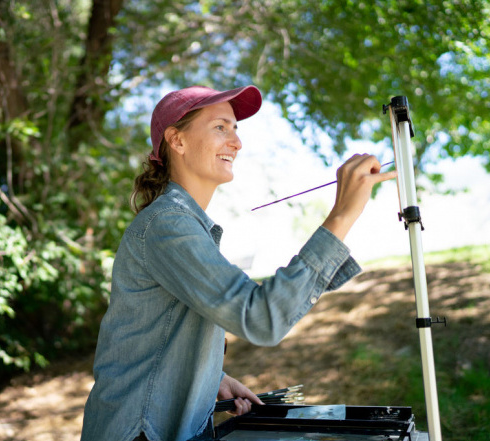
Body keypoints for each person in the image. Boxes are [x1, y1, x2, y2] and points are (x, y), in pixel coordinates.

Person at [80, 85, 397, 441]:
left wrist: (212, 377)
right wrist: (341, 216)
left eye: (235, 129)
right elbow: (260, 317)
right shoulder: (167, 224)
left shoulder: (183, 223)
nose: (236, 142)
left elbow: (158, 333)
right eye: (220, 127)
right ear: (177, 141)